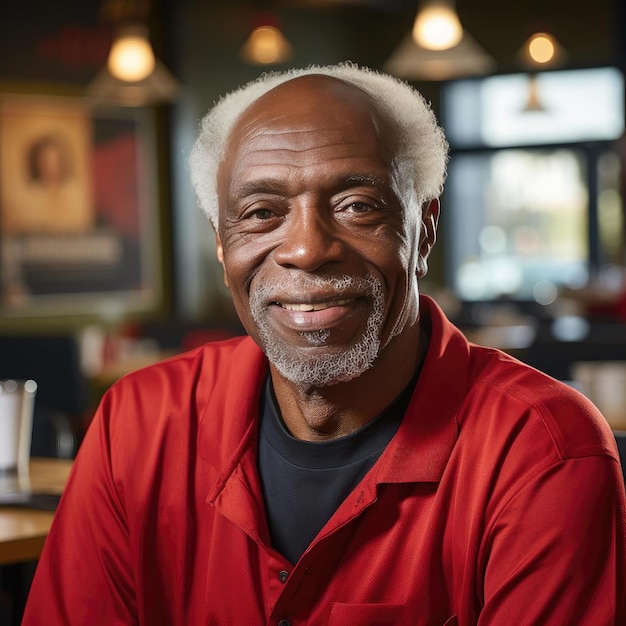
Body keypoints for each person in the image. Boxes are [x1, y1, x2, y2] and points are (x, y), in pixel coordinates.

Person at [23, 63, 625, 625]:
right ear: (220, 244)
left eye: (358, 206)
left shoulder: (542, 450)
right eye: (261, 213)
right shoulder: (138, 423)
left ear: (424, 230)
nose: (307, 249)